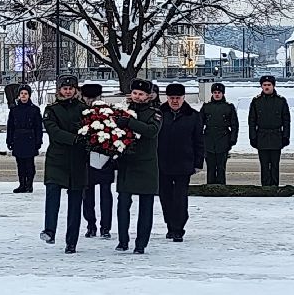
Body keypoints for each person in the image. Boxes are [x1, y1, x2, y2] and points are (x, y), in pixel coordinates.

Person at [41, 74, 88, 252]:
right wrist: (75, 139)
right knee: (52, 193)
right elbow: (54, 131)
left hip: (77, 159)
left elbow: (90, 128)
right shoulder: (51, 109)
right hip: (57, 159)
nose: (67, 91)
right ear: (59, 90)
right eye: (64, 88)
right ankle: (50, 230)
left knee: (75, 202)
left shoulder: (83, 109)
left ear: (75, 90)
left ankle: (71, 241)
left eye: (71, 88)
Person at [115, 79, 161, 253]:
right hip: (127, 162)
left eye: (141, 94)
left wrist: (130, 123)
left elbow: (151, 131)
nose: (137, 96)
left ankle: (141, 243)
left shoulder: (154, 112)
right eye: (135, 93)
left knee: (145, 206)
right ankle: (122, 240)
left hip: (146, 164)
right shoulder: (124, 110)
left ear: (148, 96)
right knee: (123, 203)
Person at [157, 82, 204, 241]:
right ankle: (170, 225)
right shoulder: (159, 114)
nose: (175, 101)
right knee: (165, 197)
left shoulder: (193, 116)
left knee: (180, 197)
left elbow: (199, 141)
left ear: (183, 98)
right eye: (172, 98)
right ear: (167, 98)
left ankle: (178, 227)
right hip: (162, 163)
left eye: (178, 98)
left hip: (184, 163)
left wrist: (198, 162)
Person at [78, 82, 115, 238]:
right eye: (88, 98)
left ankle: (105, 227)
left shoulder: (108, 113)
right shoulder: (79, 112)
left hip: (105, 157)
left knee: (105, 193)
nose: (91, 101)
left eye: (94, 98)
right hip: (86, 159)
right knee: (87, 194)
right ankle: (91, 224)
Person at [248, 75, 290, 187]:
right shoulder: (256, 101)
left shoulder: (281, 101)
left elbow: (286, 121)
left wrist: (286, 136)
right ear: (261, 86)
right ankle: (265, 186)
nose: (267, 87)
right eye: (264, 85)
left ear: (273, 86)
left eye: (269, 85)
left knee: (275, 164)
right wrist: (252, 137)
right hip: (262, 136)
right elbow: (251, 121)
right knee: (264, 165)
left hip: (276, 136)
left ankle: (274, 186)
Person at [5, 83, 43, 193]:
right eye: (21, 93)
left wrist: (38, 141)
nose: (23, 95)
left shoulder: (34, 110)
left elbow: (38, 127)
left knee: (29, 164)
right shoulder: (14, 110)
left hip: (30, 139)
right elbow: (10, 126)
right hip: (18, 139)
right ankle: (22, 184)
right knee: (20, 164)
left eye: (25, 94)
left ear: (29, 96)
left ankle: (29, 185)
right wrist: (9, 140)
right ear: (18, 95)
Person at [200, 82, 239, 185]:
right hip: (209, 140)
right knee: (211, 168)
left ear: (223, 94)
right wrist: (200, 140)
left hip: (223, 139)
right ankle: (210, 188)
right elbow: (199, 124)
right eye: (215, 92)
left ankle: (221, 188)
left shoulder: (229, 107)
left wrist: (232, 140)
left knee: (221, 167)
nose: (217, 94)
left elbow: (234, 125)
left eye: (219, 92)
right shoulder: (206, 107)